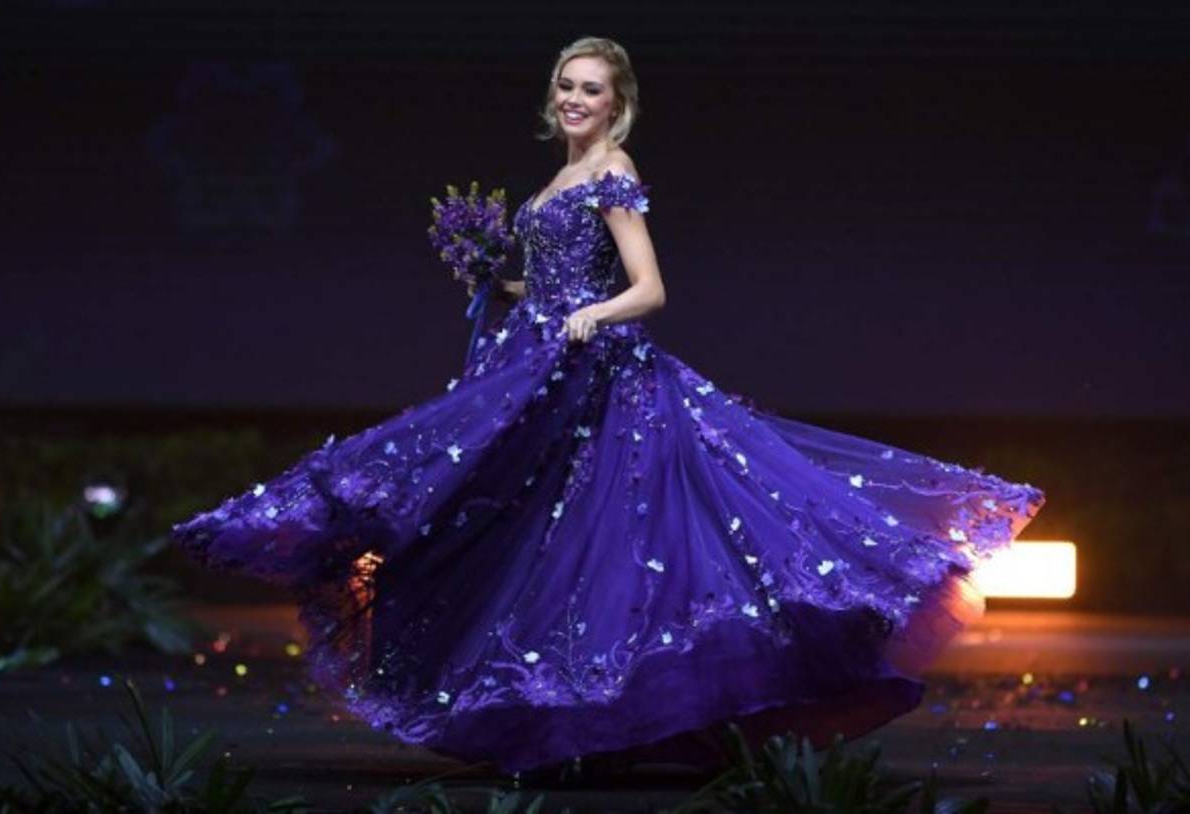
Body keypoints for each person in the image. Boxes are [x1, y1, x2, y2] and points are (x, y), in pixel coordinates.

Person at [171, 36, 1045, 778]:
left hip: (601, 380)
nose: (575, 98)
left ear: (618, 104)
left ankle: (634, 722)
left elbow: (649, 288)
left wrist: (591, 312)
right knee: (517, 535)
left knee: (623, 544)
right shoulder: (558, 181)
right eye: (566, 85)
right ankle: (574, 721)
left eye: (592, 88)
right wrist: (497, 279)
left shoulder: (613, 172)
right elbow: (551, 286)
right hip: (544, 368)